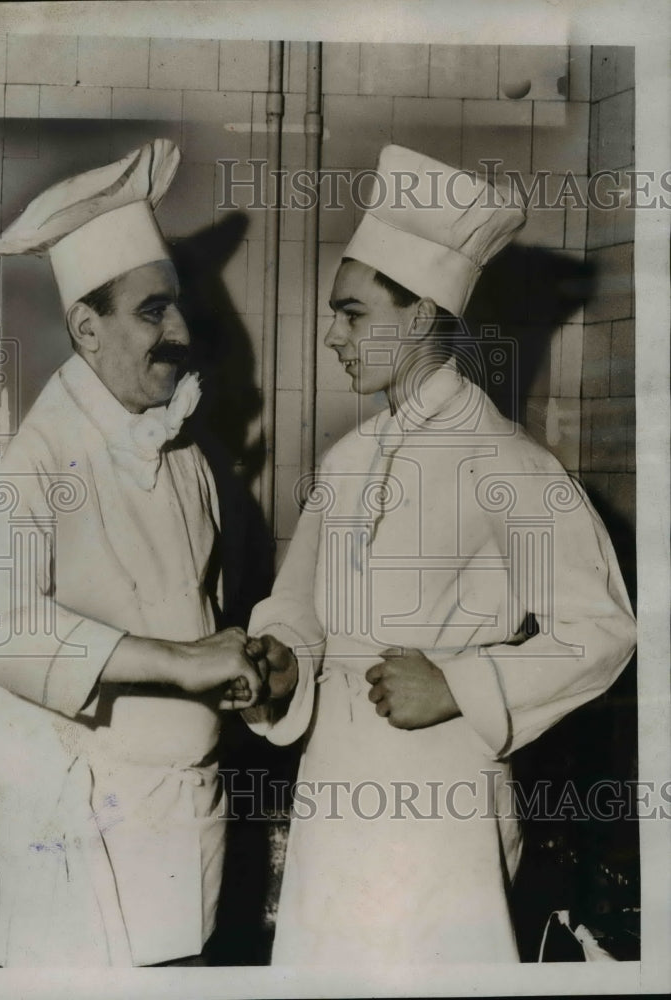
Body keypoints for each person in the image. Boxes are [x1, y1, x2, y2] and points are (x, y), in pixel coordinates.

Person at [244, 145, 637, 964]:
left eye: (351, 314)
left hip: (444, 803)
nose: (331, 335)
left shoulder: (509, 463)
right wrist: (285, 657)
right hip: (332, 793)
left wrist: (460, 684)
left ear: (419, 315)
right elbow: (299, 606)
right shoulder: (348, 459)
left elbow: (603, 629)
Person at [0, 139, 263, 967]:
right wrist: (182, 661)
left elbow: (197, 616)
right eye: (150, 311)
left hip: (187, 829)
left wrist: (239, 667)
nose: (178, 331)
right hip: (84, 842)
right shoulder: (28, 466)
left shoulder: (186, 455)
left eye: (175, 307)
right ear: (85, 328)